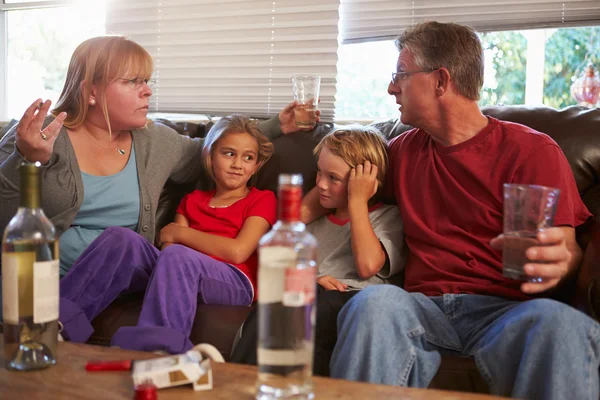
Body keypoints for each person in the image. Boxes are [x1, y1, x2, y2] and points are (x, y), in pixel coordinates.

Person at [326, 21, 600, 400]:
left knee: (561, 323)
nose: (391, 87)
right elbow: (333, 185)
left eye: (400, 75)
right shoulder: (402, 152)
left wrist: (564, 261)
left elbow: (566, 250)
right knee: (373, 303)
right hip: (422, 309)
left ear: (440, 81)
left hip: (507, 312)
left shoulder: (532, 151)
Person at [0, 36, 313, 340]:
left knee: (122, 239)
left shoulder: (156, 142)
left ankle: (49, 329)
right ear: (92, 90)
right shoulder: (37, 135)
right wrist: (24, 160)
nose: (147, 91)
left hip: (127, 273)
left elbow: (219, 150)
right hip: (40, 276)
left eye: (147, 81)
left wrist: (274, 127)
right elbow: (5, 221)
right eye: (133, 82)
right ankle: (53, 328)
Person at [231, 126, 406, 376]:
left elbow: (368, 265)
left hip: (356, 304)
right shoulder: (313, 224)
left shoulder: (387, 218)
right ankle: (246, 382)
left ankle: (243, 381)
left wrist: (357, 200)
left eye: (333, 178)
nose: (321, 185)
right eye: (319, 173)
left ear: (365, 183)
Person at [102, 114, 276, 353]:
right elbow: (167, 246)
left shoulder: (261, 199)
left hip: (236, 280)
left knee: (178, 255)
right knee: (120, 238)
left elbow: (238, 251)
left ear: (256, 166)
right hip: (184, 269)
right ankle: (60, 322)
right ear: (210, 155)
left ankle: (158, 350)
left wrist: (181, 234)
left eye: (248, 158)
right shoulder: (192, 200)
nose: (238, 164)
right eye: (229, 154)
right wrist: (176, 239)